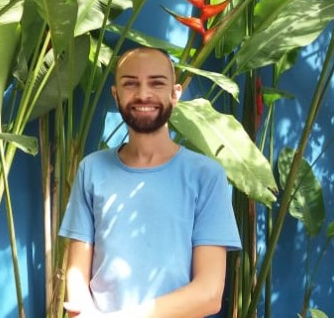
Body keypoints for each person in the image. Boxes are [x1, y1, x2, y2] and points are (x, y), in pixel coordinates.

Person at [59, 47, 241, 317]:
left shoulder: (206, 175)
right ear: (115, 94)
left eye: (156, 83)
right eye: (130, 83)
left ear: (175, 94)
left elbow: (209, 294)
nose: (143, 94)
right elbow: (76, 275)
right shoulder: (91, 169)